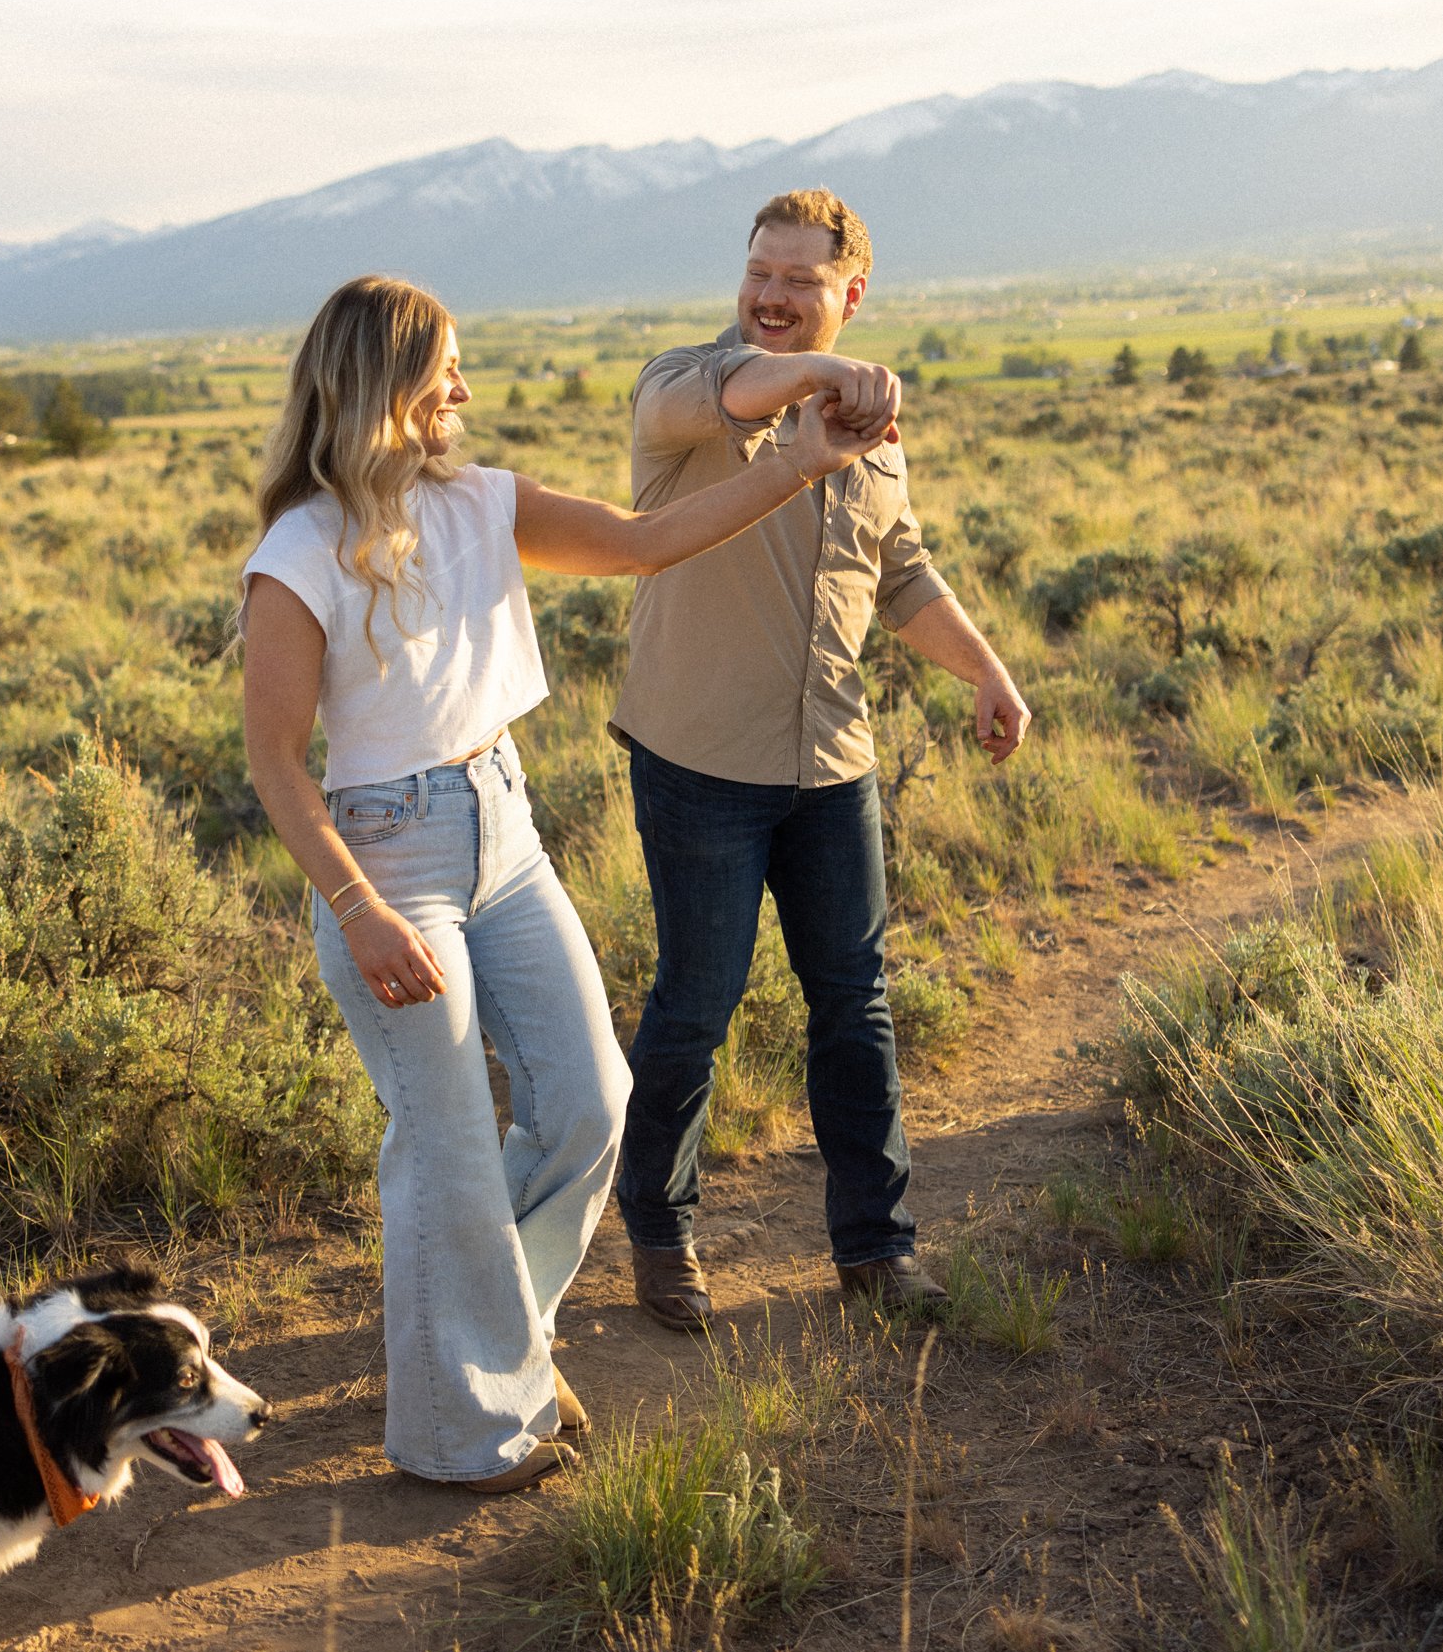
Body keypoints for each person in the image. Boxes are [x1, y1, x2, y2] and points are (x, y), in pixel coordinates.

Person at [240, 274, 897, 1494]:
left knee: (592, 1101)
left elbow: (648, 542)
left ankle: (499, 1346)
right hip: (389, 857)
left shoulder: (484, 502)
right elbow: (273, 761)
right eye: (445, 367)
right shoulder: (299, 551)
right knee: (446, 1147)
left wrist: (800, 463)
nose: (464, 388)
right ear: (388, 384)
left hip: (505, 829)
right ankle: (460, 1439)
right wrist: (359, 909)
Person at [612, 188, 1033, 1331]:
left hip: (833, 762)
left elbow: (899, 574)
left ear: (852, 291)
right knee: (697, 1005)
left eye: (801, 281)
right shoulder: (684, 391)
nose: (772, 295)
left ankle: (876, 1249)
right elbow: (748, 385)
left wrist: (986, 669)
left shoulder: (873, 435)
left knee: (856, 1003)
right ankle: (659, 1228)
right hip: (700, 759)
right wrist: (829, 376)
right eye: (760, 271)